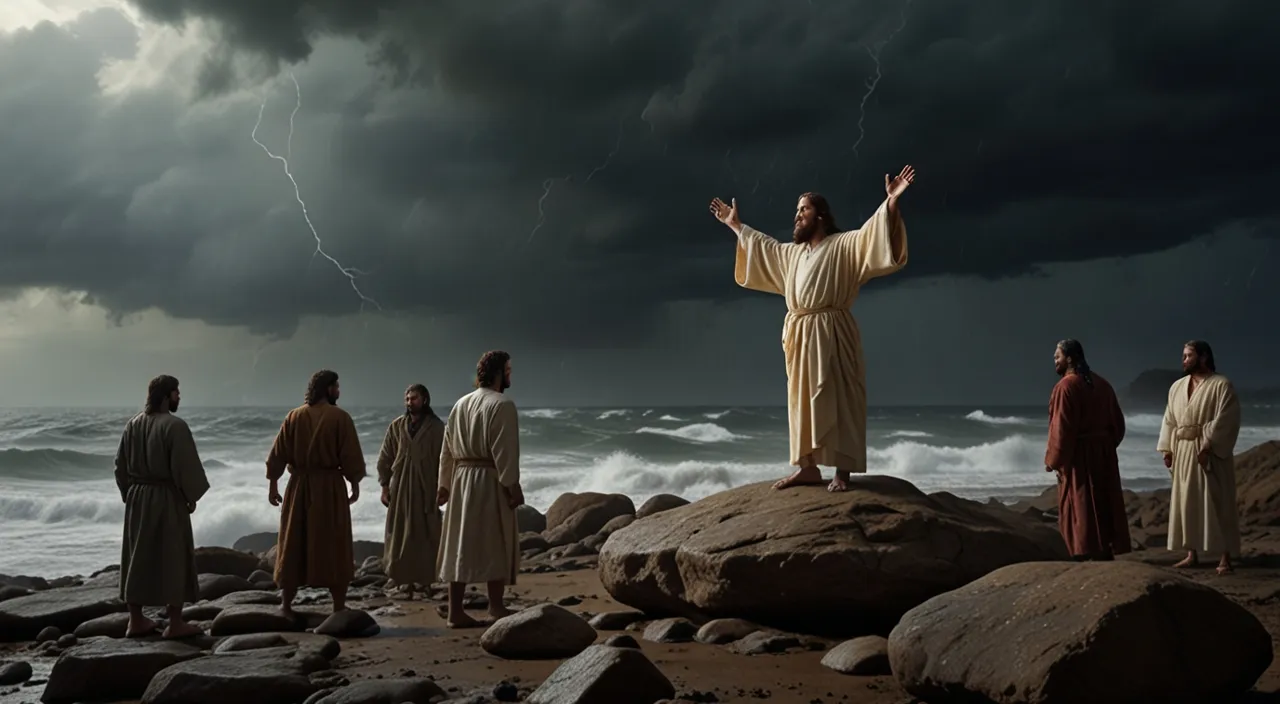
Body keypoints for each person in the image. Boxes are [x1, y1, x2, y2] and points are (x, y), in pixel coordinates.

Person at [709, 166, 914, 492]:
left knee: (842, 396)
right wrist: (735, 225)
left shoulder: (843, 244)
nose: (798, 215)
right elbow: (764, 247)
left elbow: (872, 234)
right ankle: (806, 467)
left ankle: (842, 473)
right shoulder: (793, 254)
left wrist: (890, 202)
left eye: (804, 209)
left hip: (833, 330)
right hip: (801, 333)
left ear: (821, 215)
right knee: (801, 400)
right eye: (796, 210)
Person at [113, 374, 209, 639]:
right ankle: (175, 623)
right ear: (166, 396)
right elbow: (184, 466)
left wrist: (128, 495)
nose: (179, 397)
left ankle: (135, 620)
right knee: (173, 554)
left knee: (137, 556)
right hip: (166, 497)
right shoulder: (175, 426)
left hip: (137, 497)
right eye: (177, 392)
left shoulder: (132, 425)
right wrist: (191, 496)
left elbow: (120, 466)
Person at [265, 369, 367, 617]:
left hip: (298, 486)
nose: (339, 391)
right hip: (330, 487)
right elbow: (350, 456)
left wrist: (273, 484)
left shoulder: (294, 417)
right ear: (328, 389)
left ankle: (286, 605)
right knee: (334, 542)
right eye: (336, 387)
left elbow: (278, 454)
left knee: (293, 542)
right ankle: (339, 606)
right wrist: (354, 483)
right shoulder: (340, 418)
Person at [436, 350, 524, 628]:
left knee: (459, 542)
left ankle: (455, 612)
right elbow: (504, 452)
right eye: (508, 369)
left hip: (462, 479)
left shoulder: (461, 404)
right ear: (499, 373)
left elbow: (447, 450)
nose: (510, 374)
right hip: (489, 478)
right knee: (495, 539)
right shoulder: (502, 404)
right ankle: (496, 607)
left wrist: (444, 485)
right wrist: (513, 487)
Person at [1157, 340, 1242, 575]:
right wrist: (1168, 449)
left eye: (1188, 356)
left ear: (1203, 357)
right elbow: (1169, 419)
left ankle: (1225, 556)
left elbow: (1227, 418)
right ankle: (1191, 553)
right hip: (1183, 449)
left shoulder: (1221, 385)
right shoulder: (1177, 387)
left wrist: (1207, 445)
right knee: (1187, 500)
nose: (1184, 360)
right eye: (1183, 356)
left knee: (1217, 500)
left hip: (1208, 451)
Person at [1043, 339, 1131, 560]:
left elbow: (1061, 429)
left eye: (1057, 356)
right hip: (1104, 455)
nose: (1054, 360)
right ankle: (1104, 550)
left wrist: (1053, 460)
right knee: (1103, 500)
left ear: (1070, 358)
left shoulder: (1065, 387)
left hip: (1079, 457)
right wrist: (1106, 447)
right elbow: (1118, 426)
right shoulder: (1103, 384)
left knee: (1080, 504)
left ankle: (1082, 552)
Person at [377, 383, 446, 600]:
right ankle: (402, 581)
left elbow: (445, 460)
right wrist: (385, 486)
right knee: (400, 533)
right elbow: (385, 458)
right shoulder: (397, 426)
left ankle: (426, 581)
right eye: (407, 399)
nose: (409, 402)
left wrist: (444, 487)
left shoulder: (437, 428)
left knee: (427, 532)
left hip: (427, 487)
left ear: (425, 399)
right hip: (401, 486)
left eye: (414, 398)